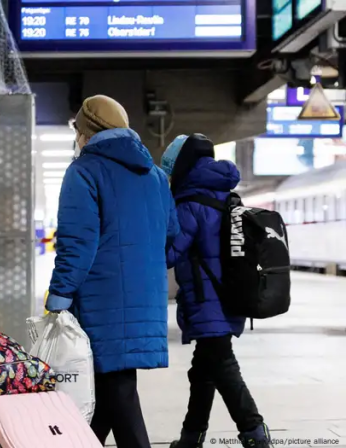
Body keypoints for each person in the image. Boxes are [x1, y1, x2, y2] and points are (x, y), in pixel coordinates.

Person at [45, 95, 178, 448]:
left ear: (86, 133)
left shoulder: (84, 172)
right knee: (110, 388)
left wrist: (59, 295)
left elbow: (77, 244)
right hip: (145, 297)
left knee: (118, 389)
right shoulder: (156, 177)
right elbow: (171, 236)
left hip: (101, 298)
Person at [161, 134, 270, 448]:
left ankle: (255, 433)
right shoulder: (228, 198)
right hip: (231, 295)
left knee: (222, 366)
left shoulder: (190, 204)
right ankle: (191, 437)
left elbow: (170, 254)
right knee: (203, 371)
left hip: (206, 301)